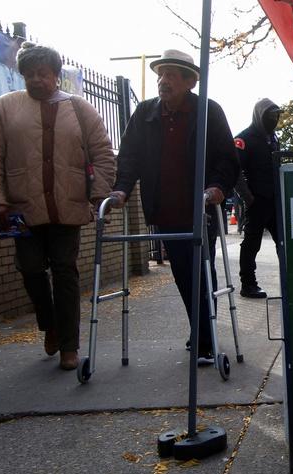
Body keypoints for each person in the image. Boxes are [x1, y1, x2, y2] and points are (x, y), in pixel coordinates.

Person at [0, 43, 116, 371]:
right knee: (29, 268)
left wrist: (100, 194)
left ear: (56, 75)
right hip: (22, 208)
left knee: (65, 272)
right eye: (29, 74)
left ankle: (69, 345)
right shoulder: (5, 108)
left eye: (42, 73)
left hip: (67, 207)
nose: (36, 79)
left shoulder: (80, 109)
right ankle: (50, 324)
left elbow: (103, 153)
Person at [109, 49, 238, 366]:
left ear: (189, 81)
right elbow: (130, 157)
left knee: (200, 271)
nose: (162, 81)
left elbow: (227, 157)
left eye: (171, 75)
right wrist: (121, 190)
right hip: (165, 208)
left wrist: (218, 186)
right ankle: (202, 332)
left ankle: (206, 341)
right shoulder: (144, 114)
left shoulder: (208, 111)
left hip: (200, 208)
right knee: (184, 273)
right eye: (161, 74)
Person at [234, 98, 282, 298]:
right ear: (260, 115)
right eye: (270, 115)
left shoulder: (273, 138)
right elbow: (234, 171)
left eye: (277, 115)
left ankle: (290, 280)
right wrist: (248, 197)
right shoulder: (245, 138)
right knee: (252, 244)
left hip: (275, 200)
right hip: (257, 201)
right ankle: (248, 284)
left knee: (283, 242)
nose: (275, 119)